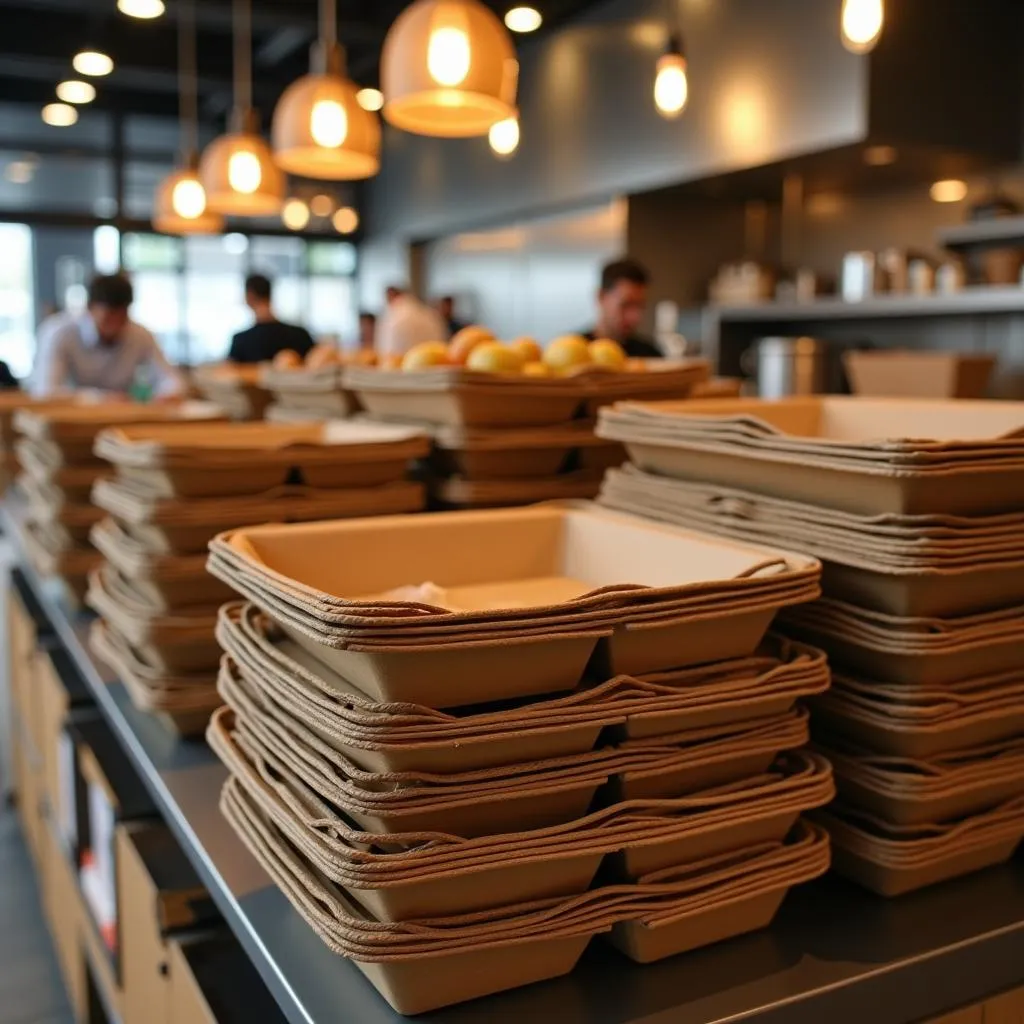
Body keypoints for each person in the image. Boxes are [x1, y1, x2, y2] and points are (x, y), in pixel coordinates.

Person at [32, 274, 184, 397]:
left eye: (122, 318)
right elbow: (46, 390)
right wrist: (100, 399)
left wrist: (165, 396)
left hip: (123, 419)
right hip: (69, 423)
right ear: (89, 308)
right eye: (108, 318)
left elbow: (173, 381)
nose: (115, 326)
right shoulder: (60, 332)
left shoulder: (138, 334)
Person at [581, 258, 663, 358]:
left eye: (640, 306)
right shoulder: (576, 352)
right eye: (626, 305)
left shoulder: (650, 355)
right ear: (601, 297)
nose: (635, 317)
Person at [228, 274, 315, 364]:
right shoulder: (300, 334)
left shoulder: (241, 341)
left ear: (248, 297)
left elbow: (228, 371)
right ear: (270, 294)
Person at [376, 286, 448, 360]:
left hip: (400, 366)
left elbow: (385, 350)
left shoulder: (392, 315)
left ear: (390, 296)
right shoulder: (428, 312)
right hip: (434, 364)